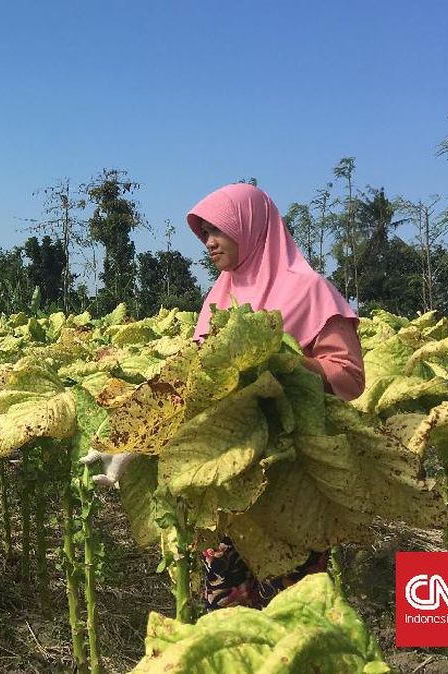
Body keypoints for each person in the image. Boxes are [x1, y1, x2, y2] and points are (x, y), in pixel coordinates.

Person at [84, 182, 365, 610]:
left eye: (219, 231)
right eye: (205, 233)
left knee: (293, 610)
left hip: (288, 472)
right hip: (221, 476)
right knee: (227, 609)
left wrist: (277, 363)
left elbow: (348, 375)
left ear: (251, 228)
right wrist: (131, 444)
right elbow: (192, 384)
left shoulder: (309, 290)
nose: (209, 242)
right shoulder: (219, 296)